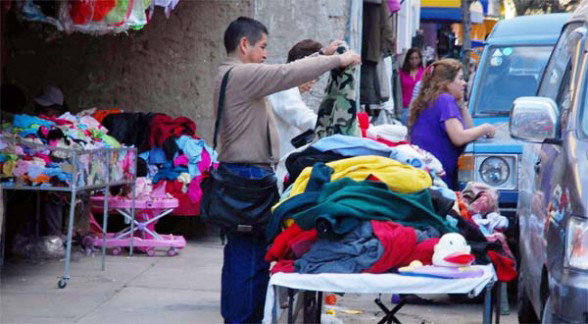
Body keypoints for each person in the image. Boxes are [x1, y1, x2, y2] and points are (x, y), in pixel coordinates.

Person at [214, 17, 360, 323]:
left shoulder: (227, 74)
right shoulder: (242, 74)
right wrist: (337, 59)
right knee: (251, 260)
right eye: (263, 47)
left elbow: (284, 72)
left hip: (237, 177)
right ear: (244, 45)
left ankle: (235, 318)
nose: (266, 54)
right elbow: (286, 73)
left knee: (238, 256)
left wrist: (322, 56)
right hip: (248, 180)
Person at [409, 59, 495, 190]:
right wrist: (486, 128)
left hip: (425, 174)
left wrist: (461, 105)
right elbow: (459, 137)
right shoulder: (445, 99)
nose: (464, 83)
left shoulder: (432, 99)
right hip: (438, 179)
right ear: (447, 83)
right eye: (460, 79)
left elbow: (469, 130)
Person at [268, 39, 341, 188]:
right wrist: (339, 125)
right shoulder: (285, 89)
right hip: (278, 169)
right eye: (315, 75)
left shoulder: (286, 87)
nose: (313, 82)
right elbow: (306, 119)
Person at [399, 48, 424, 124]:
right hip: (404, 109)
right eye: (411, 58)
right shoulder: (401, 73)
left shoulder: (425, 72)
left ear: (420, 59)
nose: (414, 61)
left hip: (420, 109)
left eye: (416, 58)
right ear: (408, 59)